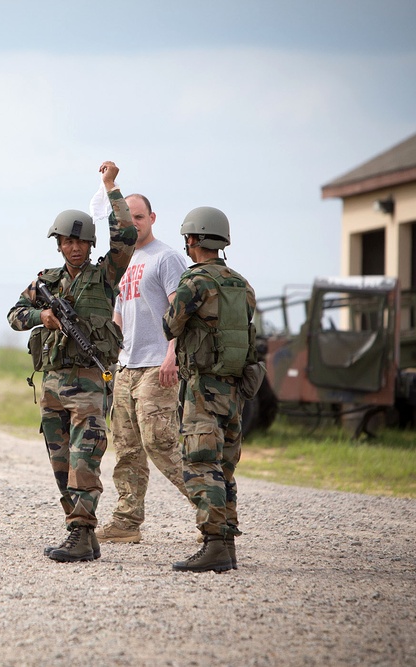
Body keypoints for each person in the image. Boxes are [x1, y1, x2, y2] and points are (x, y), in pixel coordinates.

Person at [8, 161, 136, 562]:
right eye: (67, 241)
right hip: (52, 387)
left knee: (85, 461)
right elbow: (14, 315)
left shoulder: (106, 277)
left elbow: (127, 235)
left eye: (80, 242)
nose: (74, 247)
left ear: (90, 245)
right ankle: (80, 531)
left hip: (90, 383)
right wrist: (41, 316)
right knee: (61, 464)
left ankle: (81, 535)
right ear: (58, 244)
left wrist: (111, 188)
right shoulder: (44, 282)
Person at [88, 188, 192, 544]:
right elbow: (119, 317)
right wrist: (107, 355)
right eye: (126, 218)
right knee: (127, 447)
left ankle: (214, 511)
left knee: (160, 443)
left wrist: (172, 355)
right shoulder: (124, 261)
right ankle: (126, 521)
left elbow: (182, 313)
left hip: (156, 365)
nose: (133, 223)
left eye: (139, 217)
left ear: (152, 219)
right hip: (126, 365)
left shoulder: (166, 258)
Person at [163, 206, 257, 573]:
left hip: (202, 388)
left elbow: (171, 325)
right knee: (224, 467)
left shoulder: (195, 283)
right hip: (234, 389)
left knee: (201, 464)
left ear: (193, 239)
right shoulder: (242, 285)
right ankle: (227, 543)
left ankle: (215, 544)